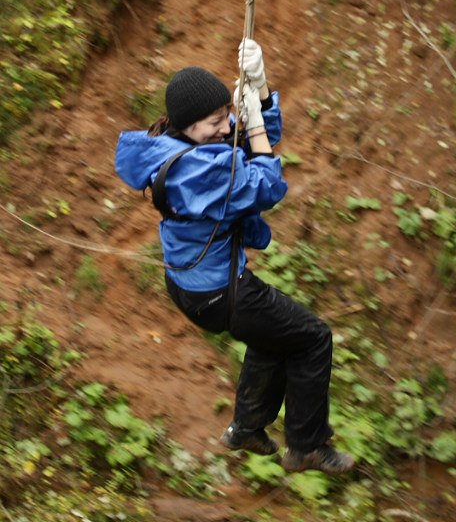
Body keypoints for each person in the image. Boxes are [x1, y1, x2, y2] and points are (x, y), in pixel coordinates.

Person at [114, 39, 354, 475]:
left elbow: (247, 148)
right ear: (188, 126)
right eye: (215, 121)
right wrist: (256, 125)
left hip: (195, 286)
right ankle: (307, 445)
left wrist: (260, 93)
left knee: (273, 337)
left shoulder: (180, 147)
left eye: (226, 116)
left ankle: (246, 427)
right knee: (313, 337)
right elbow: (265, 186)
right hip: (219, 291)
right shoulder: (194, 168)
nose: (226, 127)